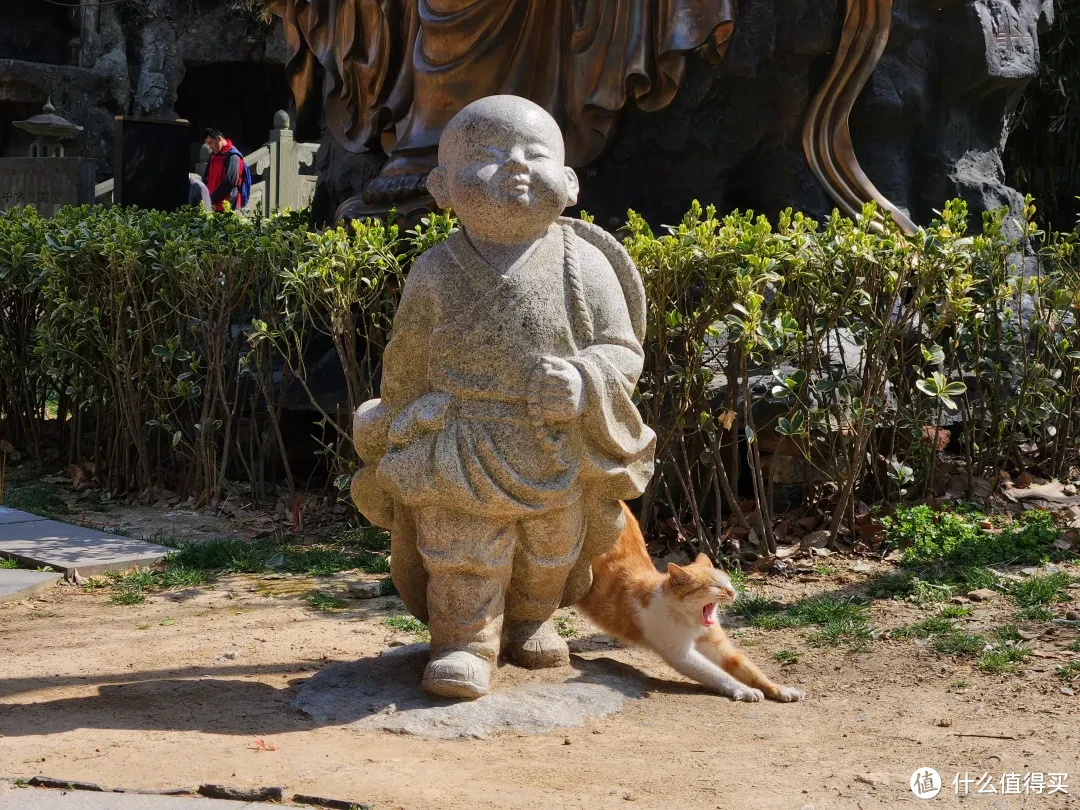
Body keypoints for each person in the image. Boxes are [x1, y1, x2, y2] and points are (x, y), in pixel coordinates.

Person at [349, 96, 655, 699]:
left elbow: (623, 346)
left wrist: (584, 379)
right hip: (460, 434)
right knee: (463, 548)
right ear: (440, 186)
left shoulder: (584, 264)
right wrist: (402, 417)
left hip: (551, 440)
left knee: (549, 549)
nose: (515, 166)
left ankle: (531, 617)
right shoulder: (434, 271)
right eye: (488, 157)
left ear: (568, 182)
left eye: (534, 154)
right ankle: (464, 641)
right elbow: (406, 358)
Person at [201, 129, 248, 212]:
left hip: (227, 207)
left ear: (219, 139)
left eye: (211, 143)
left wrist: (212, 199)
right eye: (208, 144)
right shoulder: (213, 155)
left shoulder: (233, 155)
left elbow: (230, 182)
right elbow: (206, 177)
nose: (210, 147)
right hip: (211, 204)